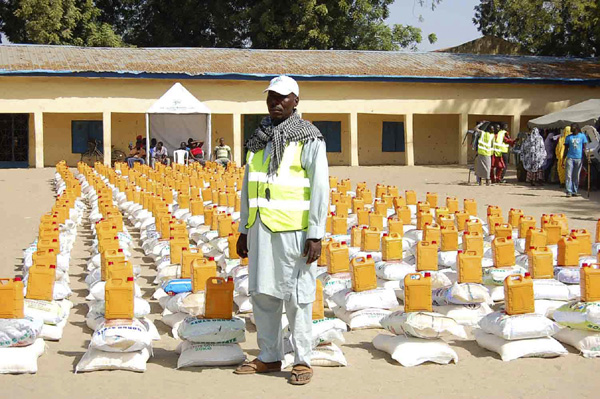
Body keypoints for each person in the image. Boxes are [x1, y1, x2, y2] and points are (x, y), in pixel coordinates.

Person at [234, 75, 328, 386]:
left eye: (283, 97)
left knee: (297, 298)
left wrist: (316, 233)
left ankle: (302, 360)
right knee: (263, 295)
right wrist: (244, 229)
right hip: (261, 230)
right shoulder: (258, 140)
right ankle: (270, 356)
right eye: (271, 96)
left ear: (296, 102)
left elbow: (319, 189)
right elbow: (249, 188)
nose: (276, 102)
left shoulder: (309, 138)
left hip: (294, 234)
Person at [563, 123, 588, 197]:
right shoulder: (568, 137)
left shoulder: (582, 136)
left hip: (579, 158)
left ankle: (575, 191)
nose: (571, 128)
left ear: (577, 128)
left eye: (573, 127)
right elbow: (566, 149)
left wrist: (585, 157)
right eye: (571, 127)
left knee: (576, 175)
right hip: (570, 158)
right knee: (568, 175)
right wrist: (563, 159)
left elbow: (584, 147)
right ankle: (568, 191)